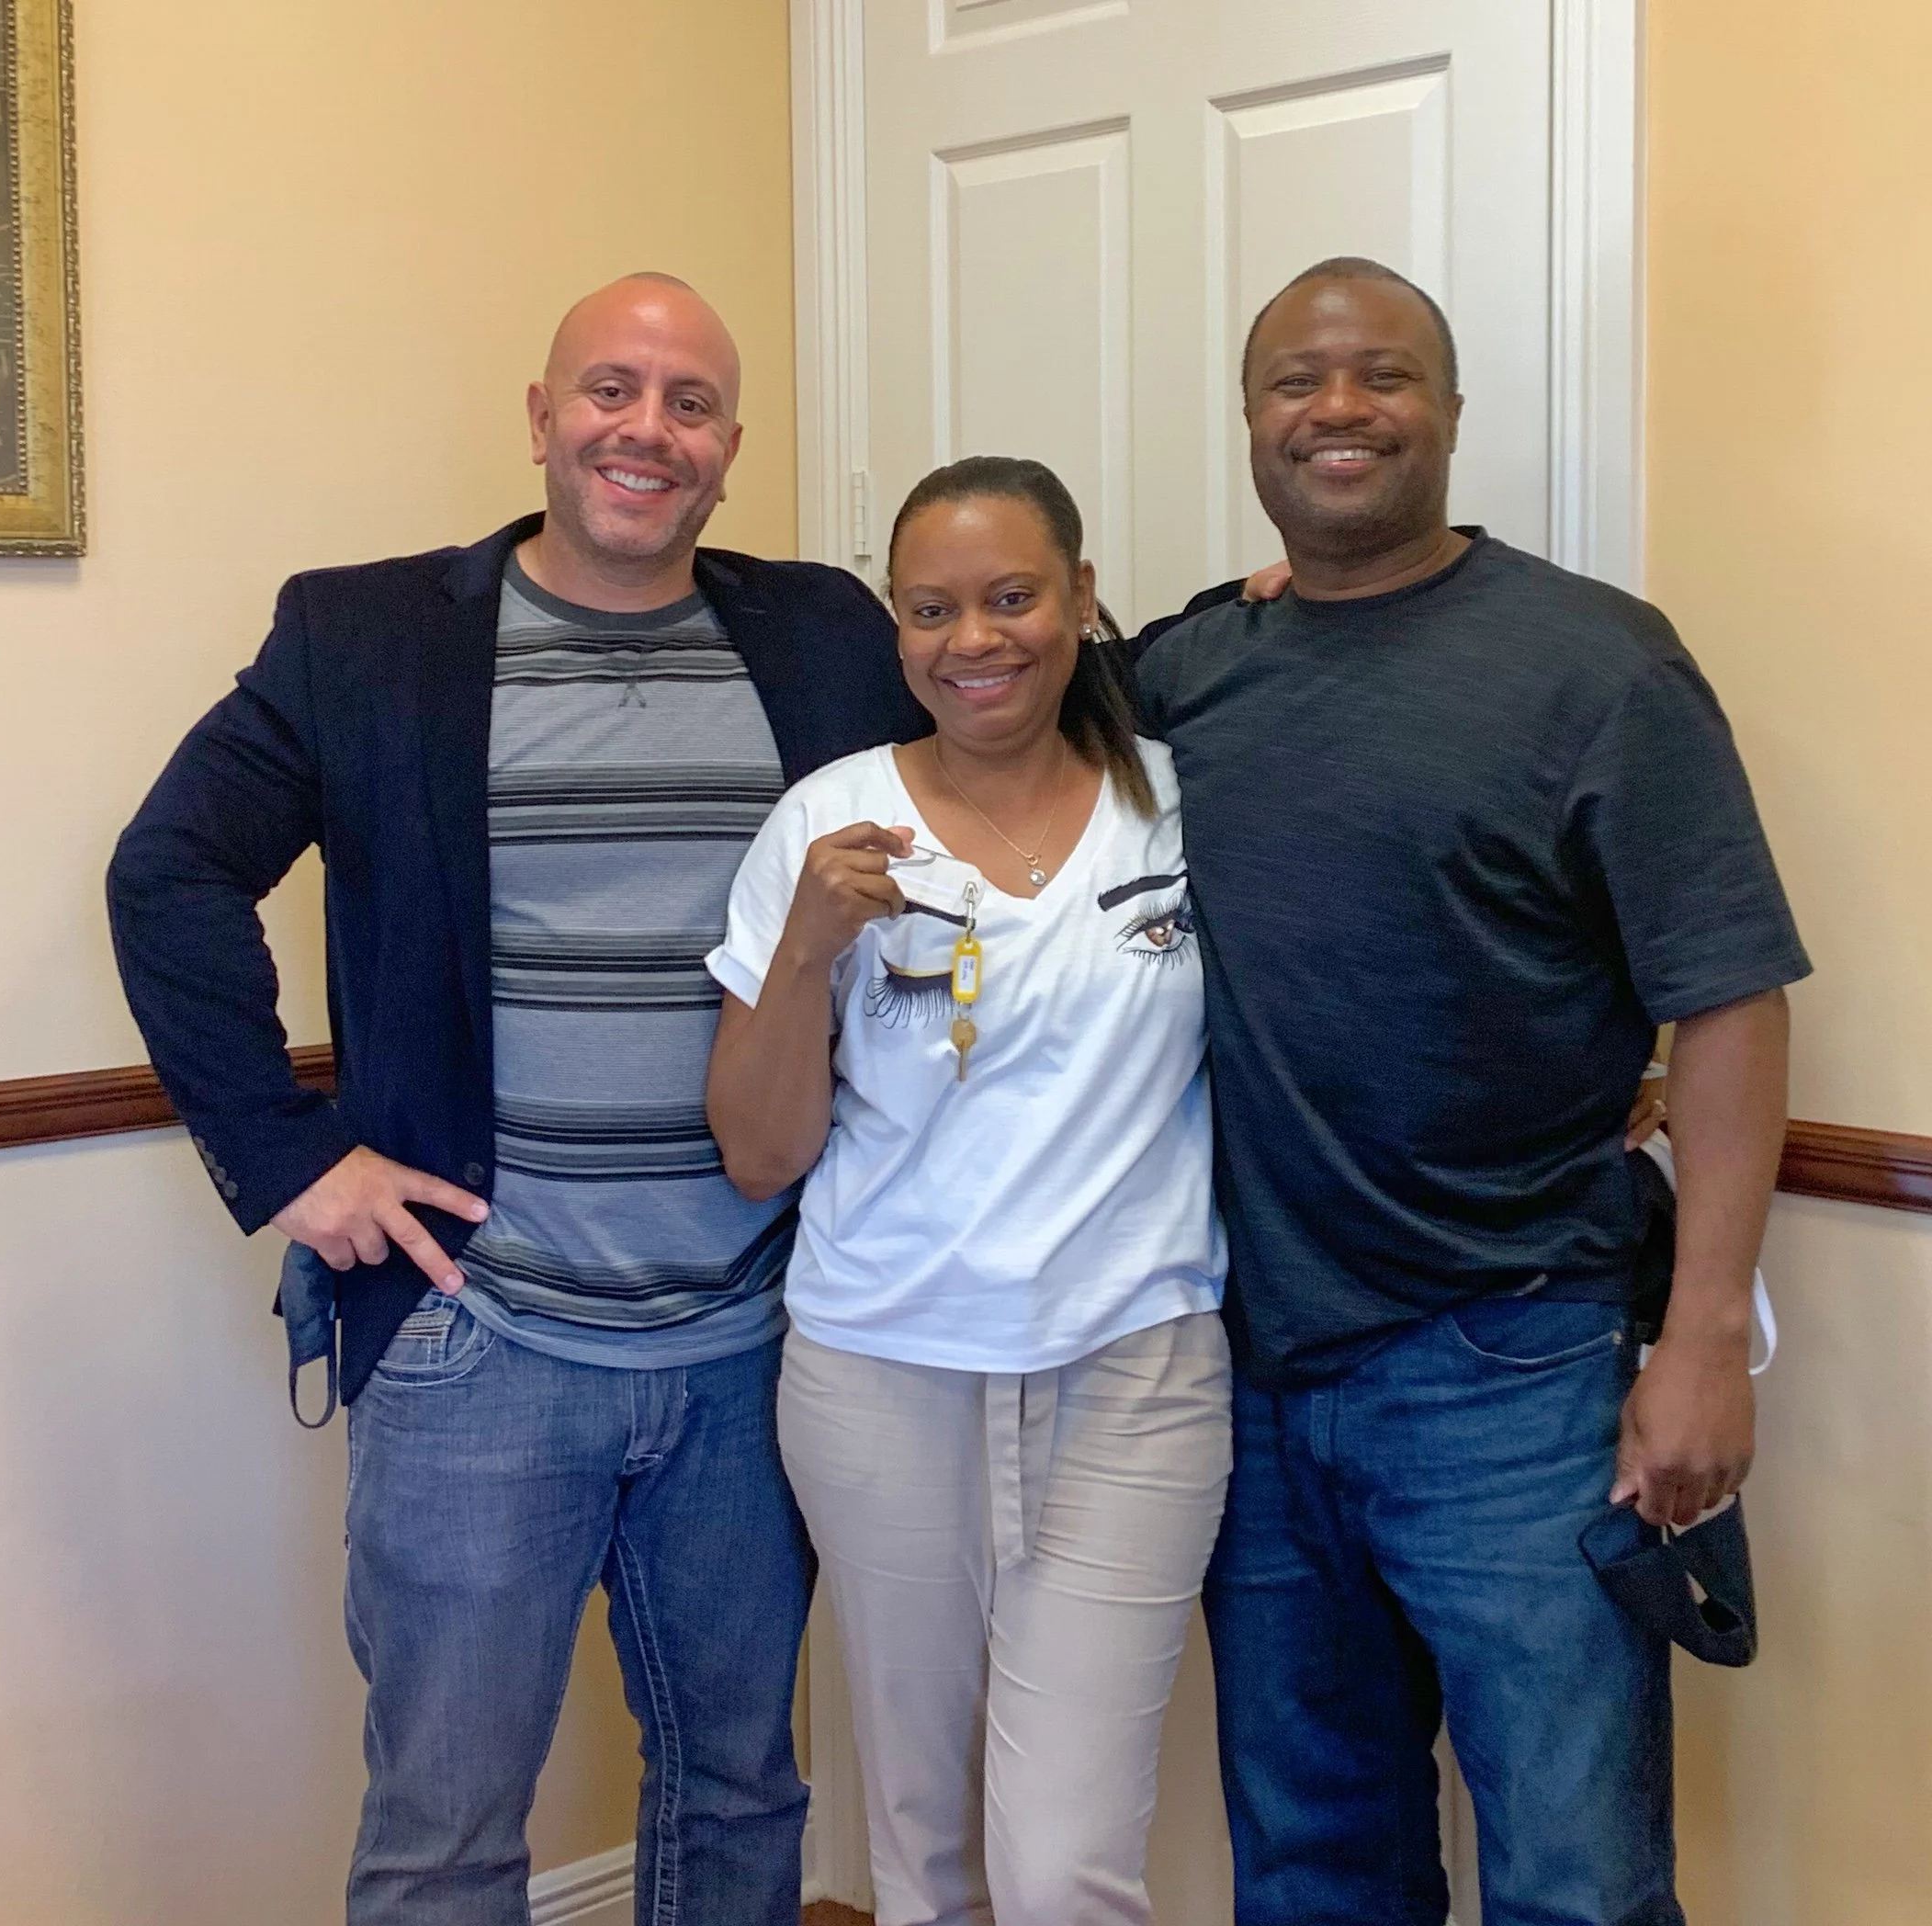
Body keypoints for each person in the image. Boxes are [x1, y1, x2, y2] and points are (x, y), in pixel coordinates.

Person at [107, 274, 921, 1925]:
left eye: (688, 404)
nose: (647, 430)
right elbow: (170, 873)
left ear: (731, 447)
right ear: (540, 417)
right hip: (481, 1342)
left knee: (743, 1794)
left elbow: (1016, 694)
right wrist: (290, 1162)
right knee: (447, 1833)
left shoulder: (824, 635)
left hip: (753, 1339)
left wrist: (1249, 619)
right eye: (609, 390)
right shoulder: (371, 638)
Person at [1135, 257, 1809, 1926]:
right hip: (1250, 1379)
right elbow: (984, 741)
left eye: (1384, 376)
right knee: (1314, 1869)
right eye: (1299, 379)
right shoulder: (1182, 677)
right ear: (1248, 419)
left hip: (1514, 1369)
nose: (1339, 410)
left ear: (1450, 413)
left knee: (1575, 1882)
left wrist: (1704, 1337)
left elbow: (1725, 1001)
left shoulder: (1600, 666)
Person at [704, 455, 1235, 1926]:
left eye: (1013, 598)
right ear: (896, 629)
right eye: (932, 610)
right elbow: (759, 1152)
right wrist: (808, 943)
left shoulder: (1178, 806)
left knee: (1064, 1865)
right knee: (921, 1857)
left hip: (1136, 1376)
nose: (975, 640)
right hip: (882, 1378)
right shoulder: (833, 821)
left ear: (1082, 599)